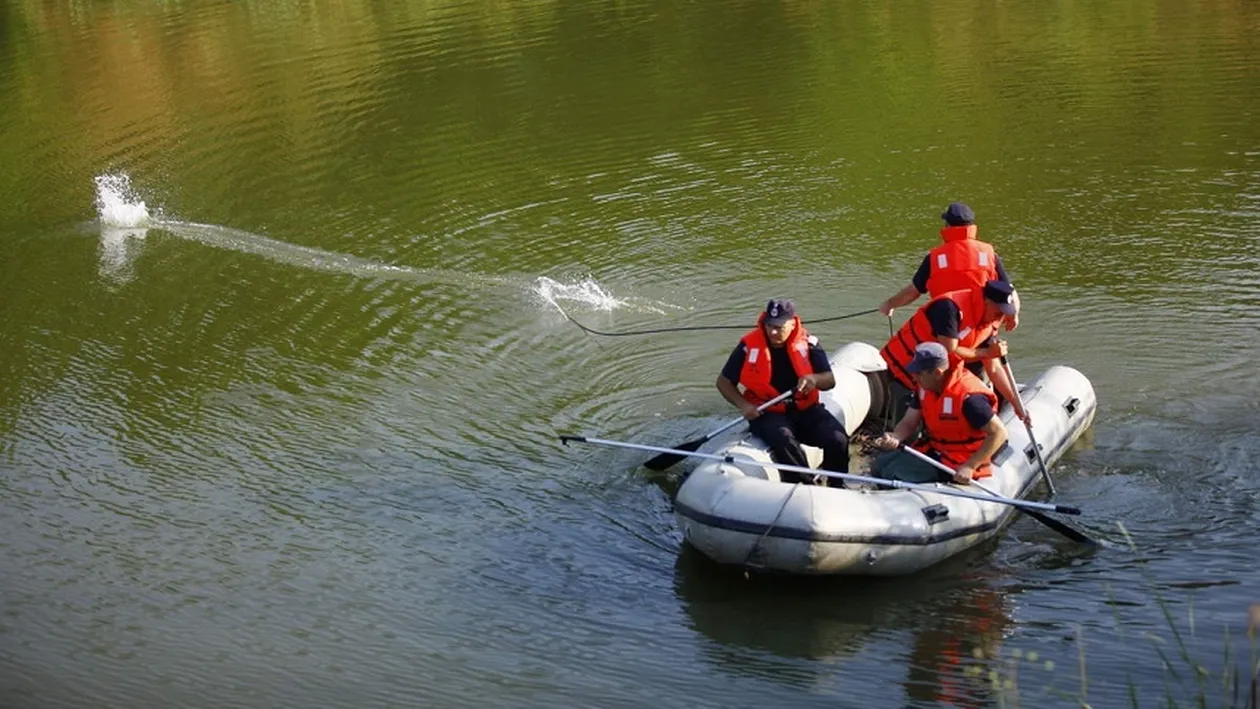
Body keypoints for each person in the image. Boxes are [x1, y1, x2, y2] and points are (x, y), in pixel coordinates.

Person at [716, 299, 850, 485]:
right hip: (767, 411)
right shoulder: (747, 347)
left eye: (779, 327)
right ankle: (805, 485)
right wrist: (743, 405)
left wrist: (814, 379)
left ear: (793, 323)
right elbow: (723, 382)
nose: (772, 332)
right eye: (770, 326)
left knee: (838, 439)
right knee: (784, 440)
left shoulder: (810, 344)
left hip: (806, 409)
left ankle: (836, 485)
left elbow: (829, 381)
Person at [878, 280, 1029, 425]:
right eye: (998, 313)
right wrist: (986, 353)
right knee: (908, 429)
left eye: (1004, 314)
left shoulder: (987, 321)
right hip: (903, 371)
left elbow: (994, 369)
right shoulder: (949, 308)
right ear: (986, 302)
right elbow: (948, 350)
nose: (1000, 319)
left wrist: (1016, 404)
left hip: (931, 378)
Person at [871, 341, 1009, 484]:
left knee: (895, 473)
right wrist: (896, 436)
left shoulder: (970, 399)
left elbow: (999, 433)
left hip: (961, 458)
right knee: (880, 464)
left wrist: (970, 466)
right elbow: (909, 422)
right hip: (936, 449)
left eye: (919, 373)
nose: (914, 377)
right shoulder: (924, 388)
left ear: (937, 373)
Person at [879, 202, 1020, 331]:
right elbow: (1009, 289)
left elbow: (913, 292)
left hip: (948, 327)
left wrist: (890, 304)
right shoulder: (988, 253)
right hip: (980, 326)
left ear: (947, 225)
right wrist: (1014, 314)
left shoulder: (935, 257)